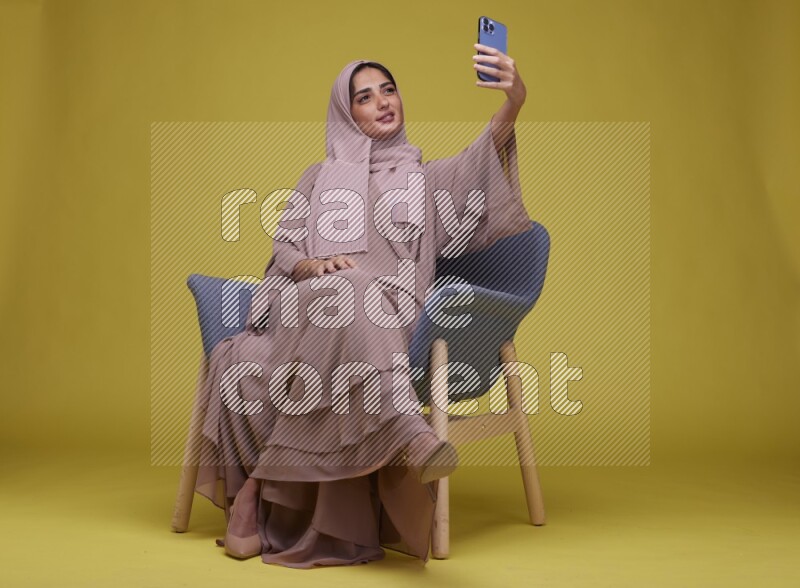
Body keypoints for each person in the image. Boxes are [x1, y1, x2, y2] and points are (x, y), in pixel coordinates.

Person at [191, 43, 532, 568]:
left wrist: (514, 101)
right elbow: (285, 248)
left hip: (391, 316)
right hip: (309, 303)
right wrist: (313, 265)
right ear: (346, 113)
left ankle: (256, 490)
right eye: (365, 97)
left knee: (356, 291)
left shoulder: (426, 179)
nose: (383, 102)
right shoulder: (316, 177)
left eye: (388, 90)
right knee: (343, 288)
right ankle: (407, 432)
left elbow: (484, 155)